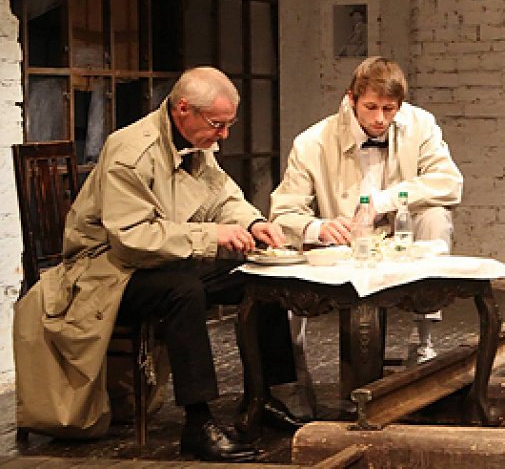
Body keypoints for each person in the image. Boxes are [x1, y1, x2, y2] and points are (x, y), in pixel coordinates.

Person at [14, 67, 304, 463]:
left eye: (228, 125)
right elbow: (132, 239)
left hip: (157, 259)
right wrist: (211, 235)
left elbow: (222, 196)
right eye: (218, 125)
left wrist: (252, 223)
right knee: (184, 292)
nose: (224, 135)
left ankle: (261, 397)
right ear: (184, 109)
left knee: (256, 276)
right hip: (106, 269)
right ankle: (198, 423)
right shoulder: (130, 153)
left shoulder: (195, 140)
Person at [270, 56, 463, 361]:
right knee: (286, 246)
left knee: (436, 216)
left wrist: (383, 201)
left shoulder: (420, 125)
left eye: (389, 109)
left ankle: (423, 337)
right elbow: (283, 212)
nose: (380, 119)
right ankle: (293, 360)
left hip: (399, 235)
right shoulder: (312, 142)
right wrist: (318, 228)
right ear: (352, 99)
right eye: (371, 107)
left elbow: (449, 183)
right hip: (341, 238)